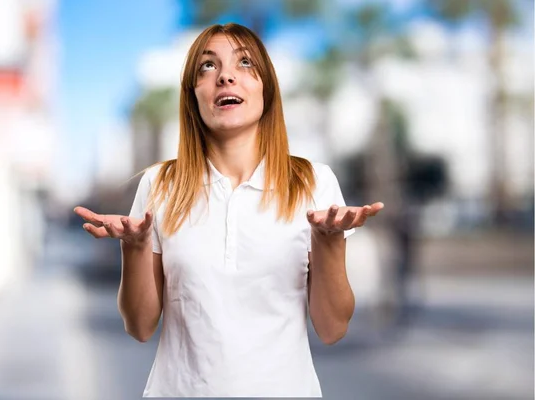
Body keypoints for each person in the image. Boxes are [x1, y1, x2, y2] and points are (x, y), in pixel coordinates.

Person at [74, 22, 384, 398]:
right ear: (194, 95)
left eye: (245, 64)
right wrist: (134, 247)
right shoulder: (160, 185)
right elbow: (139, 326)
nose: (225, 76)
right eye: (208, 66)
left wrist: (329, 241)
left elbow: (332, 328)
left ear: (266, 89)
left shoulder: (313, 182)